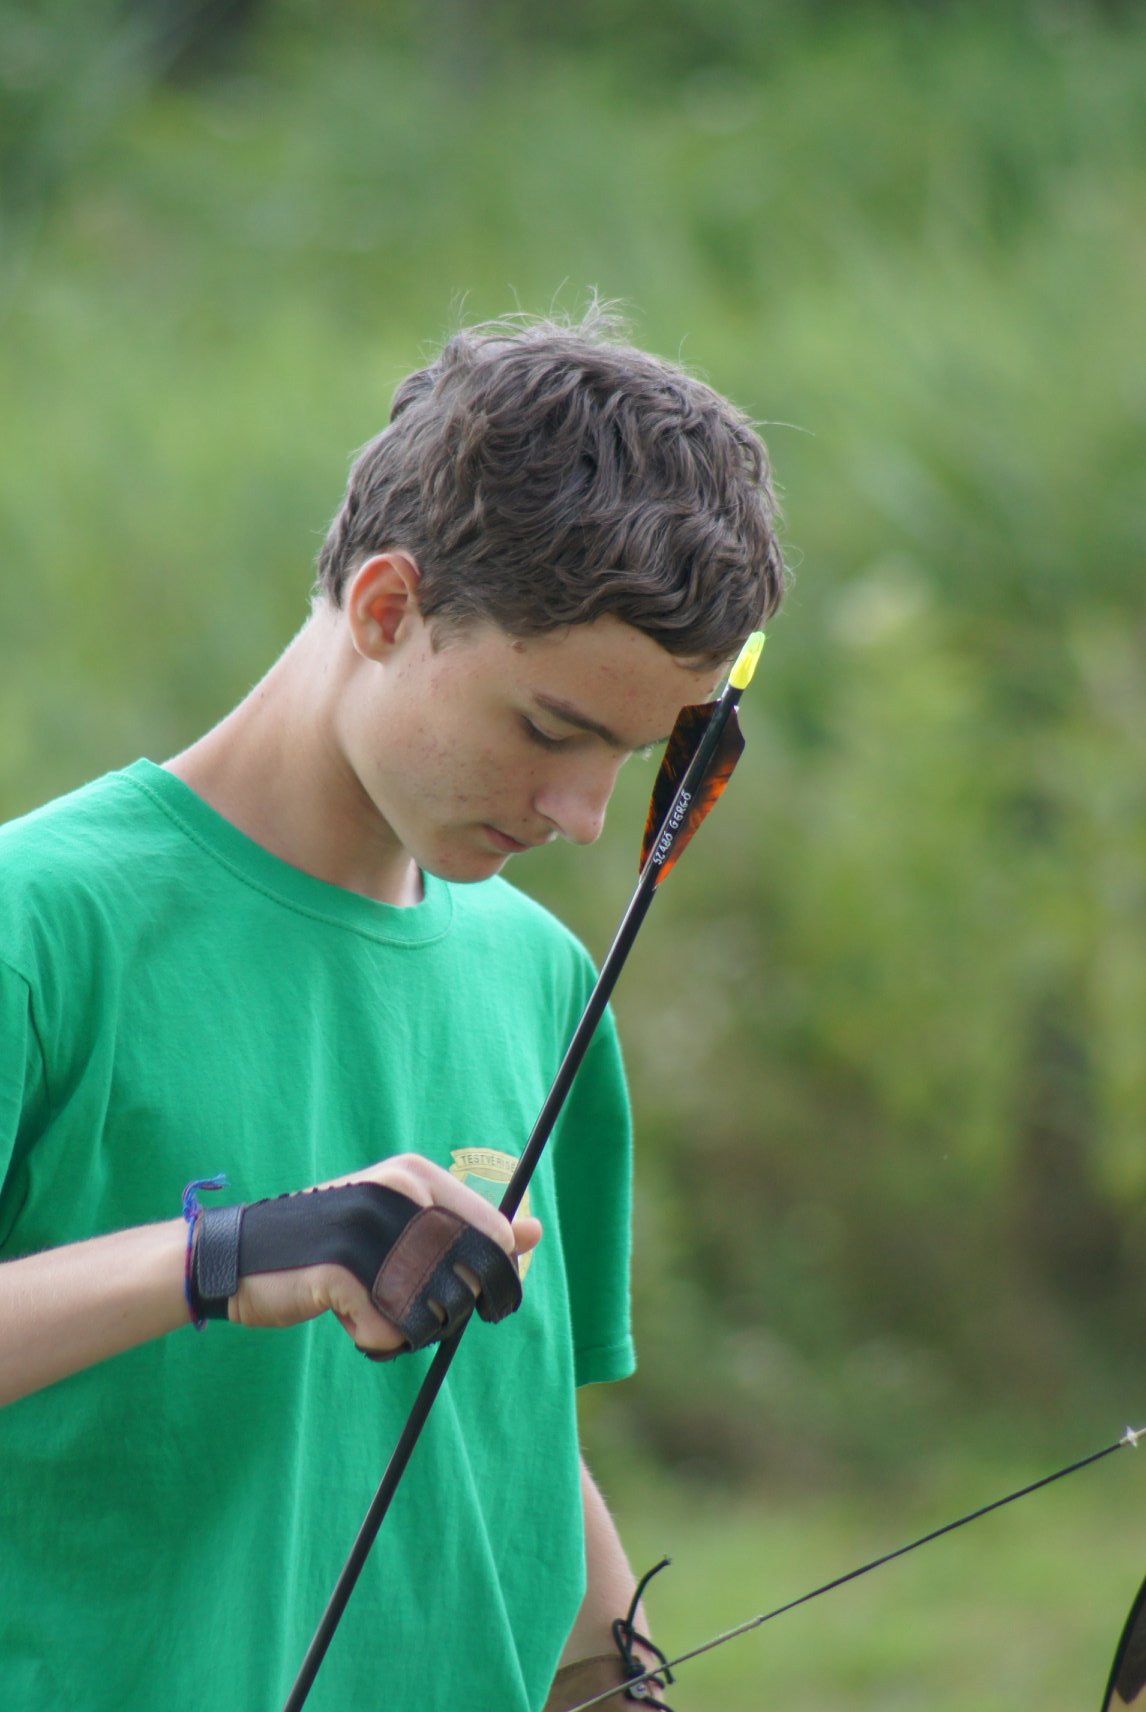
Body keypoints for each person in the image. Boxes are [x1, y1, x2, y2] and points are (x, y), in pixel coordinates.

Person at [0, 308, 784, 1711]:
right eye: (549, 730)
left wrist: (617, 1683)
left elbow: (507, 1432)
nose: (583, 815)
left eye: (630, 756)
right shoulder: (40, 926)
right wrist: (220, 1257)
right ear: (384, 610)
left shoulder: (542, 975)